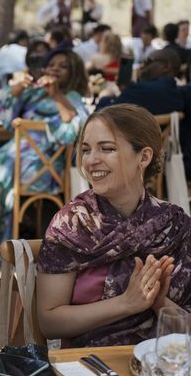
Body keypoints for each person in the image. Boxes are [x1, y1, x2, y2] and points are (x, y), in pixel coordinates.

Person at [37, 104, 191, 347]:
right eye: (86, 150)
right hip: (88, 367)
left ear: (144, 157)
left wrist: (159, 302)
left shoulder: (175, 225)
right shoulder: (72, 225)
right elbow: (49, 322)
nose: (91, 160)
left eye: (106, 149)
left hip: (160, 360)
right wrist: (126, 303)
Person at [0, 50, 89, 245]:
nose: (55, 68)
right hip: (11, 156)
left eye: (63, 66)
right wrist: (17, 90)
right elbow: (6, 120)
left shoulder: (72, 97)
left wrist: (56, 94)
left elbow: (73, 131)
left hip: (40, 169)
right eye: (52, 64)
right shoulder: (36, 93)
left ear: (74, 72)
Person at [97, 49, 191, 178]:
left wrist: (105, 97)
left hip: (131, 163)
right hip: (163, 162)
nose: (142, 66)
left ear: (166, 66)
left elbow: (100, 117)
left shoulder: (140, 90)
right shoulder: (179, 92)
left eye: (148, 61)